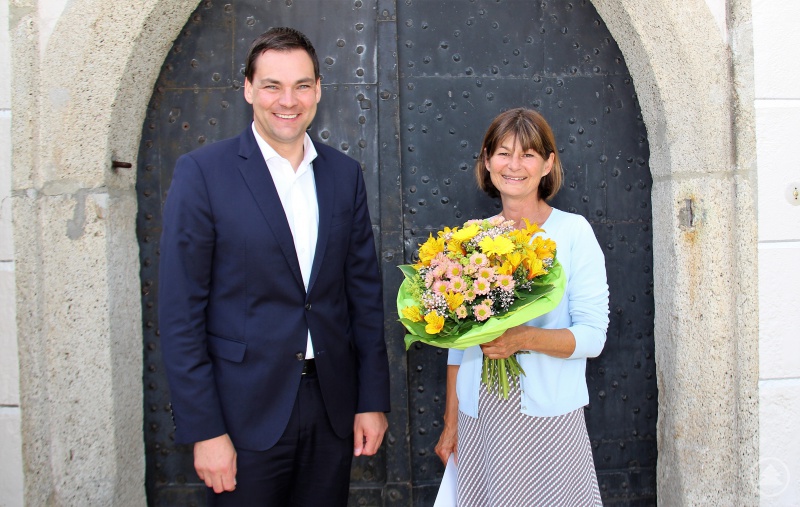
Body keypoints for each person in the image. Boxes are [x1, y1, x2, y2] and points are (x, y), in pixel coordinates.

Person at [158, 27, 390, 506]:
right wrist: (205, 430)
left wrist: (371, 400)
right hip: (242, 416)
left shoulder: (343, 175)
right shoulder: (203, 173)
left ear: (319, 90)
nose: (289, 100)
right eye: (272, 85)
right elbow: (181, 315)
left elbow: (363, 298)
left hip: (331, 410)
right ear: (247, 89)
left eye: (302, 85)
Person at [434, 108, 609, 506]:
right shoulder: (472, 237)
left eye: (528, 154)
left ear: (548, 164)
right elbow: (459, 343)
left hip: (546, 416)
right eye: (502, 153)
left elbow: (593, 337)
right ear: (486, 160)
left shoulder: (572, 233)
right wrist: (451, 423)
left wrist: (523, 338)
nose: (514, 165)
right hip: (479, 418)